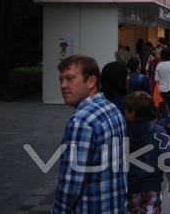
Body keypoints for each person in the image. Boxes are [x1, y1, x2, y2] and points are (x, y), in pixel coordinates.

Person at [52, 55, 127, 213]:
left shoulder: (81, 122)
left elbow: (71, 183)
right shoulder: (112, 109)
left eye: (70, 79)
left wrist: (57, 209)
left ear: (91, 81)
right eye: (62, 80)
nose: (64, 86)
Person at [125, 91, 170, 214]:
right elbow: (168, 158)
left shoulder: (122, 132)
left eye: (126, 110)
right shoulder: (158, 131)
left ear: (133, 113)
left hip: (129, 185)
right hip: (152, 184)